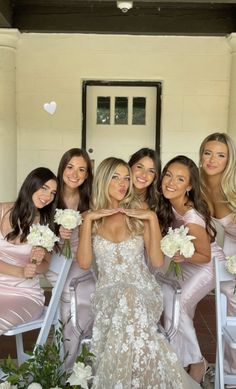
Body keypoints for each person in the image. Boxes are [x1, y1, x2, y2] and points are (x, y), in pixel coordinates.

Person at [77, 156, 200, 388]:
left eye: (126, 178)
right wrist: (89, 220)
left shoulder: (140, 210)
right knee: (126, 300)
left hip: (143, 290)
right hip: (107, 293)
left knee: (130, 296)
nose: (123, 184)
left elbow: (156, 260)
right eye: (116, 177)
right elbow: (84, 263)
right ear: (103, 179)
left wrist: (151, 218)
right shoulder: (90, 217)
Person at [157, 155, 225, 384]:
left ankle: (197, 363)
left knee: (178, 306)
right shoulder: (168, 205)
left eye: (179, 179)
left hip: (207, 266)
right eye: (168, 175)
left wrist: (181, 254)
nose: (170, 182)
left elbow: (205, 256)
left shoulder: (191, 216)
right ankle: (179, 364)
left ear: (189, 186)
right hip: (187, 263)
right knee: (174, 304)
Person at [0, 167, 58, 334]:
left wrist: (36, 264)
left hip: (24, 294)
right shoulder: (2, 211)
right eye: (44, 188)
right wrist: (20, 271)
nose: (48, 197)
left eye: (53, 193)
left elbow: (45, 265)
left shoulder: (45, 225)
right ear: (31, 185)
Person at [55, 148, 96, 369]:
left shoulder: (88, 199)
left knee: (83, 291)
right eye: (70, 167)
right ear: (62, 168)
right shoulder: (51, 195)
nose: (75, 174)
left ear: (87, 175)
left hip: (81, 261)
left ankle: (84, 360)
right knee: (67, 290)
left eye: (81, 170)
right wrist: (57, 235)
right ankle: (68, 362)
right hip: (55, 259)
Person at [199, 132, 236, 378]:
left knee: (231, 301)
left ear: (229, 160)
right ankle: (207, 365)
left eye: (220, 155)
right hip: (216, 252)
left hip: (231, 252)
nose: (212, 160)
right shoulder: (196, 187)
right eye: (208, 153)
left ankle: (231, 371)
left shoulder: (233, 188)